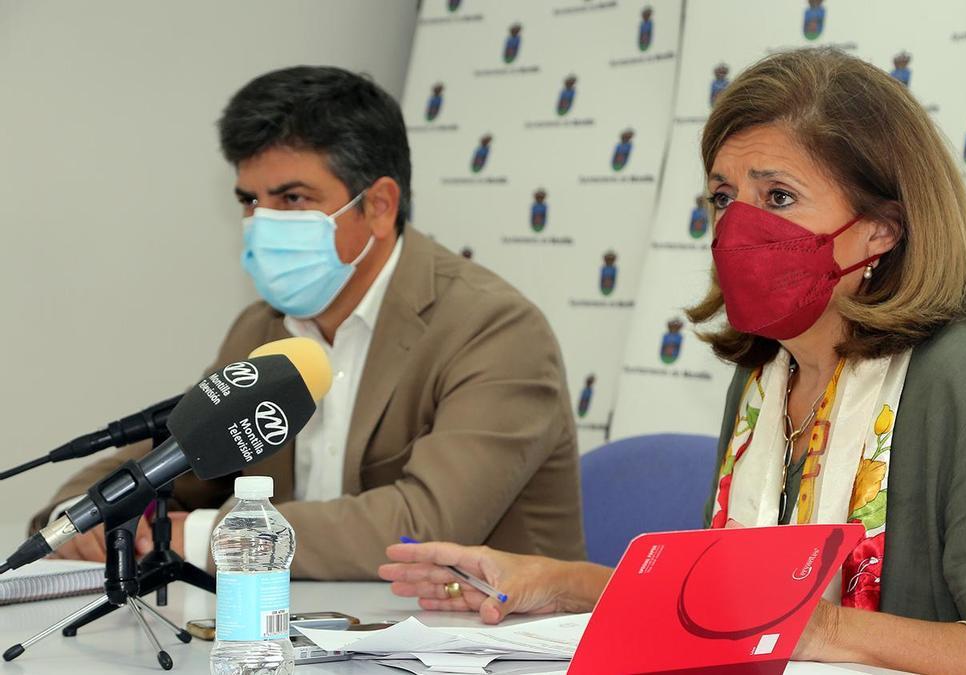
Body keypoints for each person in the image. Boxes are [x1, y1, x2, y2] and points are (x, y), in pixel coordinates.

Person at [379, 48, 966, 673]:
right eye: (723, 197)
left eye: (778, 196)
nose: (736, 228)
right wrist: (551, 580)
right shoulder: (766, 379)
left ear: (881, 231)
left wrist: (820, 626)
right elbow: (719, 608)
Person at [31, 66, 586, 580]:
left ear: (379, 206)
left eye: (293, 198)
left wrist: (196, 537)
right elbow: (176, 460)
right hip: (316, 632)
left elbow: (426, 524)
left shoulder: (494, 329)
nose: (263, 223)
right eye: (250, 201)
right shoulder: (262, 329)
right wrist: (83, 518)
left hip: (486, 641)